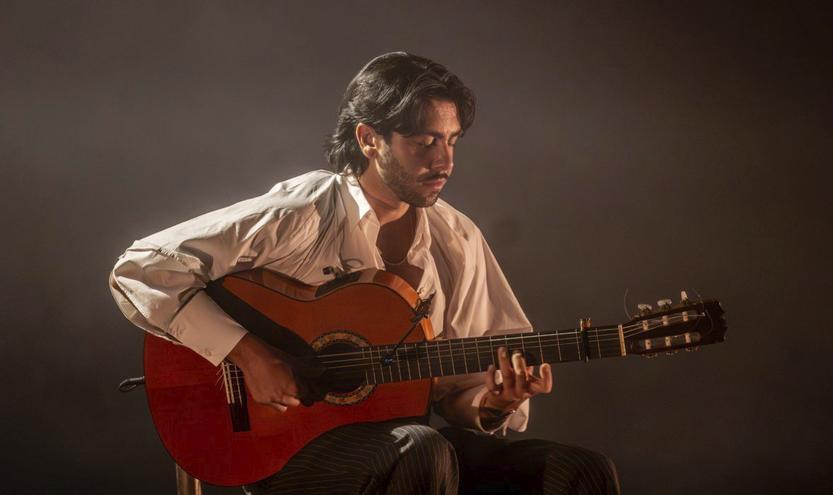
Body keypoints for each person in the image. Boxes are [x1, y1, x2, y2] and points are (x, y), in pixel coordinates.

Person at [110, 52, 620, 494]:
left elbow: (454, 387)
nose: (444, 161)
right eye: (424, 141)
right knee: (421, 451)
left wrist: (493, 402)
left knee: (577, 472)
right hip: (283, 448)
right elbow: (141, 268)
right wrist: (249, 354)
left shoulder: (457, 238)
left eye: (452, 141)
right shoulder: (303, 211)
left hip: (402, 448)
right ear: (369, 139)